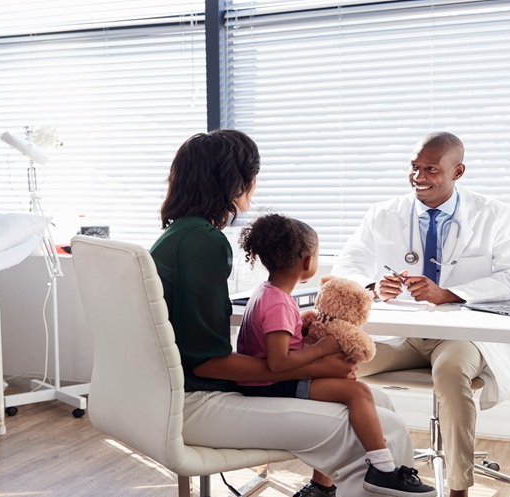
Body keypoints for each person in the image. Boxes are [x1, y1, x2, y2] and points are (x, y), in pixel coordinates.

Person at [149, 129, 422, 497]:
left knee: (379, 402)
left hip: (173, 395)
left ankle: (322, 490)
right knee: (386, 429)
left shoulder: (177, 236)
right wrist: (318, 364)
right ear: (237, 181)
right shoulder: (202, 242)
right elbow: (205, 364)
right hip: (197, 402)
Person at [331, 131, 510, 497]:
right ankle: (330, 478)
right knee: (336, 367)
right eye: (414, 167)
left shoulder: (494, 214)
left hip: (461, 332)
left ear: (458, 171)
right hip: (401, 332)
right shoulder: (383, 213)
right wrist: (373, 286)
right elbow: (347, 263)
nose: (418, 177)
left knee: (450, 374)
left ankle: (458, 489)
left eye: (430, 169)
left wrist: (451, 293)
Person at [235, 213, 436, 496]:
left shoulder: (266, 293)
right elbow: (278, 362)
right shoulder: (278, 303)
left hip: (270, 382)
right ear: (308, 262)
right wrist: (322, 349)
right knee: (358, 394)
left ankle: (327, 484)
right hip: (271, 387)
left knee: (354, 389)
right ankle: (382, 469)